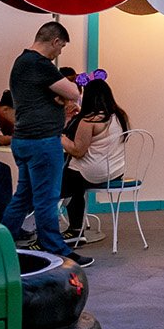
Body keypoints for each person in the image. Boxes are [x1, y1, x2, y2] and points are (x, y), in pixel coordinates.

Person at [0, 21, 92, 267]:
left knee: (23, 196)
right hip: (42, 142)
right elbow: (73, 92)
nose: (59, 53)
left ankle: (1, 243)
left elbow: (49, 95)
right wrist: (64, 94)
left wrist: (57, 97)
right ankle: (56, 248)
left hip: (23, 140)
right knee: (47, 198)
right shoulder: (40, 64)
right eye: (61, 48)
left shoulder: (20, 63)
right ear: (55, 41)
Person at [61, 74, 130, 244]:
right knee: (73, 179)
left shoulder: (89, 120)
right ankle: (76, 229)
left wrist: (60, 136)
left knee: (64, 178)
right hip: (115, 171)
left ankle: (75, 229)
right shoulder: (119, 116)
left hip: (93, 173)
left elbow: (77, 151)